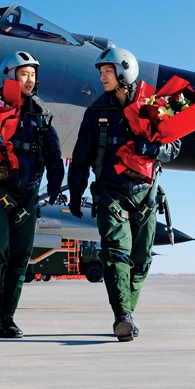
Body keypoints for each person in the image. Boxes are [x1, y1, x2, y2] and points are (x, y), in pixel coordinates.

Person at [68, 48, 181, 341]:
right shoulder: (96, 113)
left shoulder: (153, 106)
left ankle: (127, 312)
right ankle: (122, 316)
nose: (102, 77)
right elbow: (80, 158)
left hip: (146, 195)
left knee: (141, 260)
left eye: (108, 71)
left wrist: (155, 149)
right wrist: (75, 193)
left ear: (125, 71)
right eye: (101, 72)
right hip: (111, 194)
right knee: (116, 253)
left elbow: (174, 148)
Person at [0, 51, 64, 338]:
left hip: (28, 197)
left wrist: (56, 183)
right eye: (24, 73)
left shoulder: (41, 115)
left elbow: (54, 156)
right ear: (10, 75)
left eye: (33, 74)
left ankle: (6, 319)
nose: (29, 79)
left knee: (19, 259)